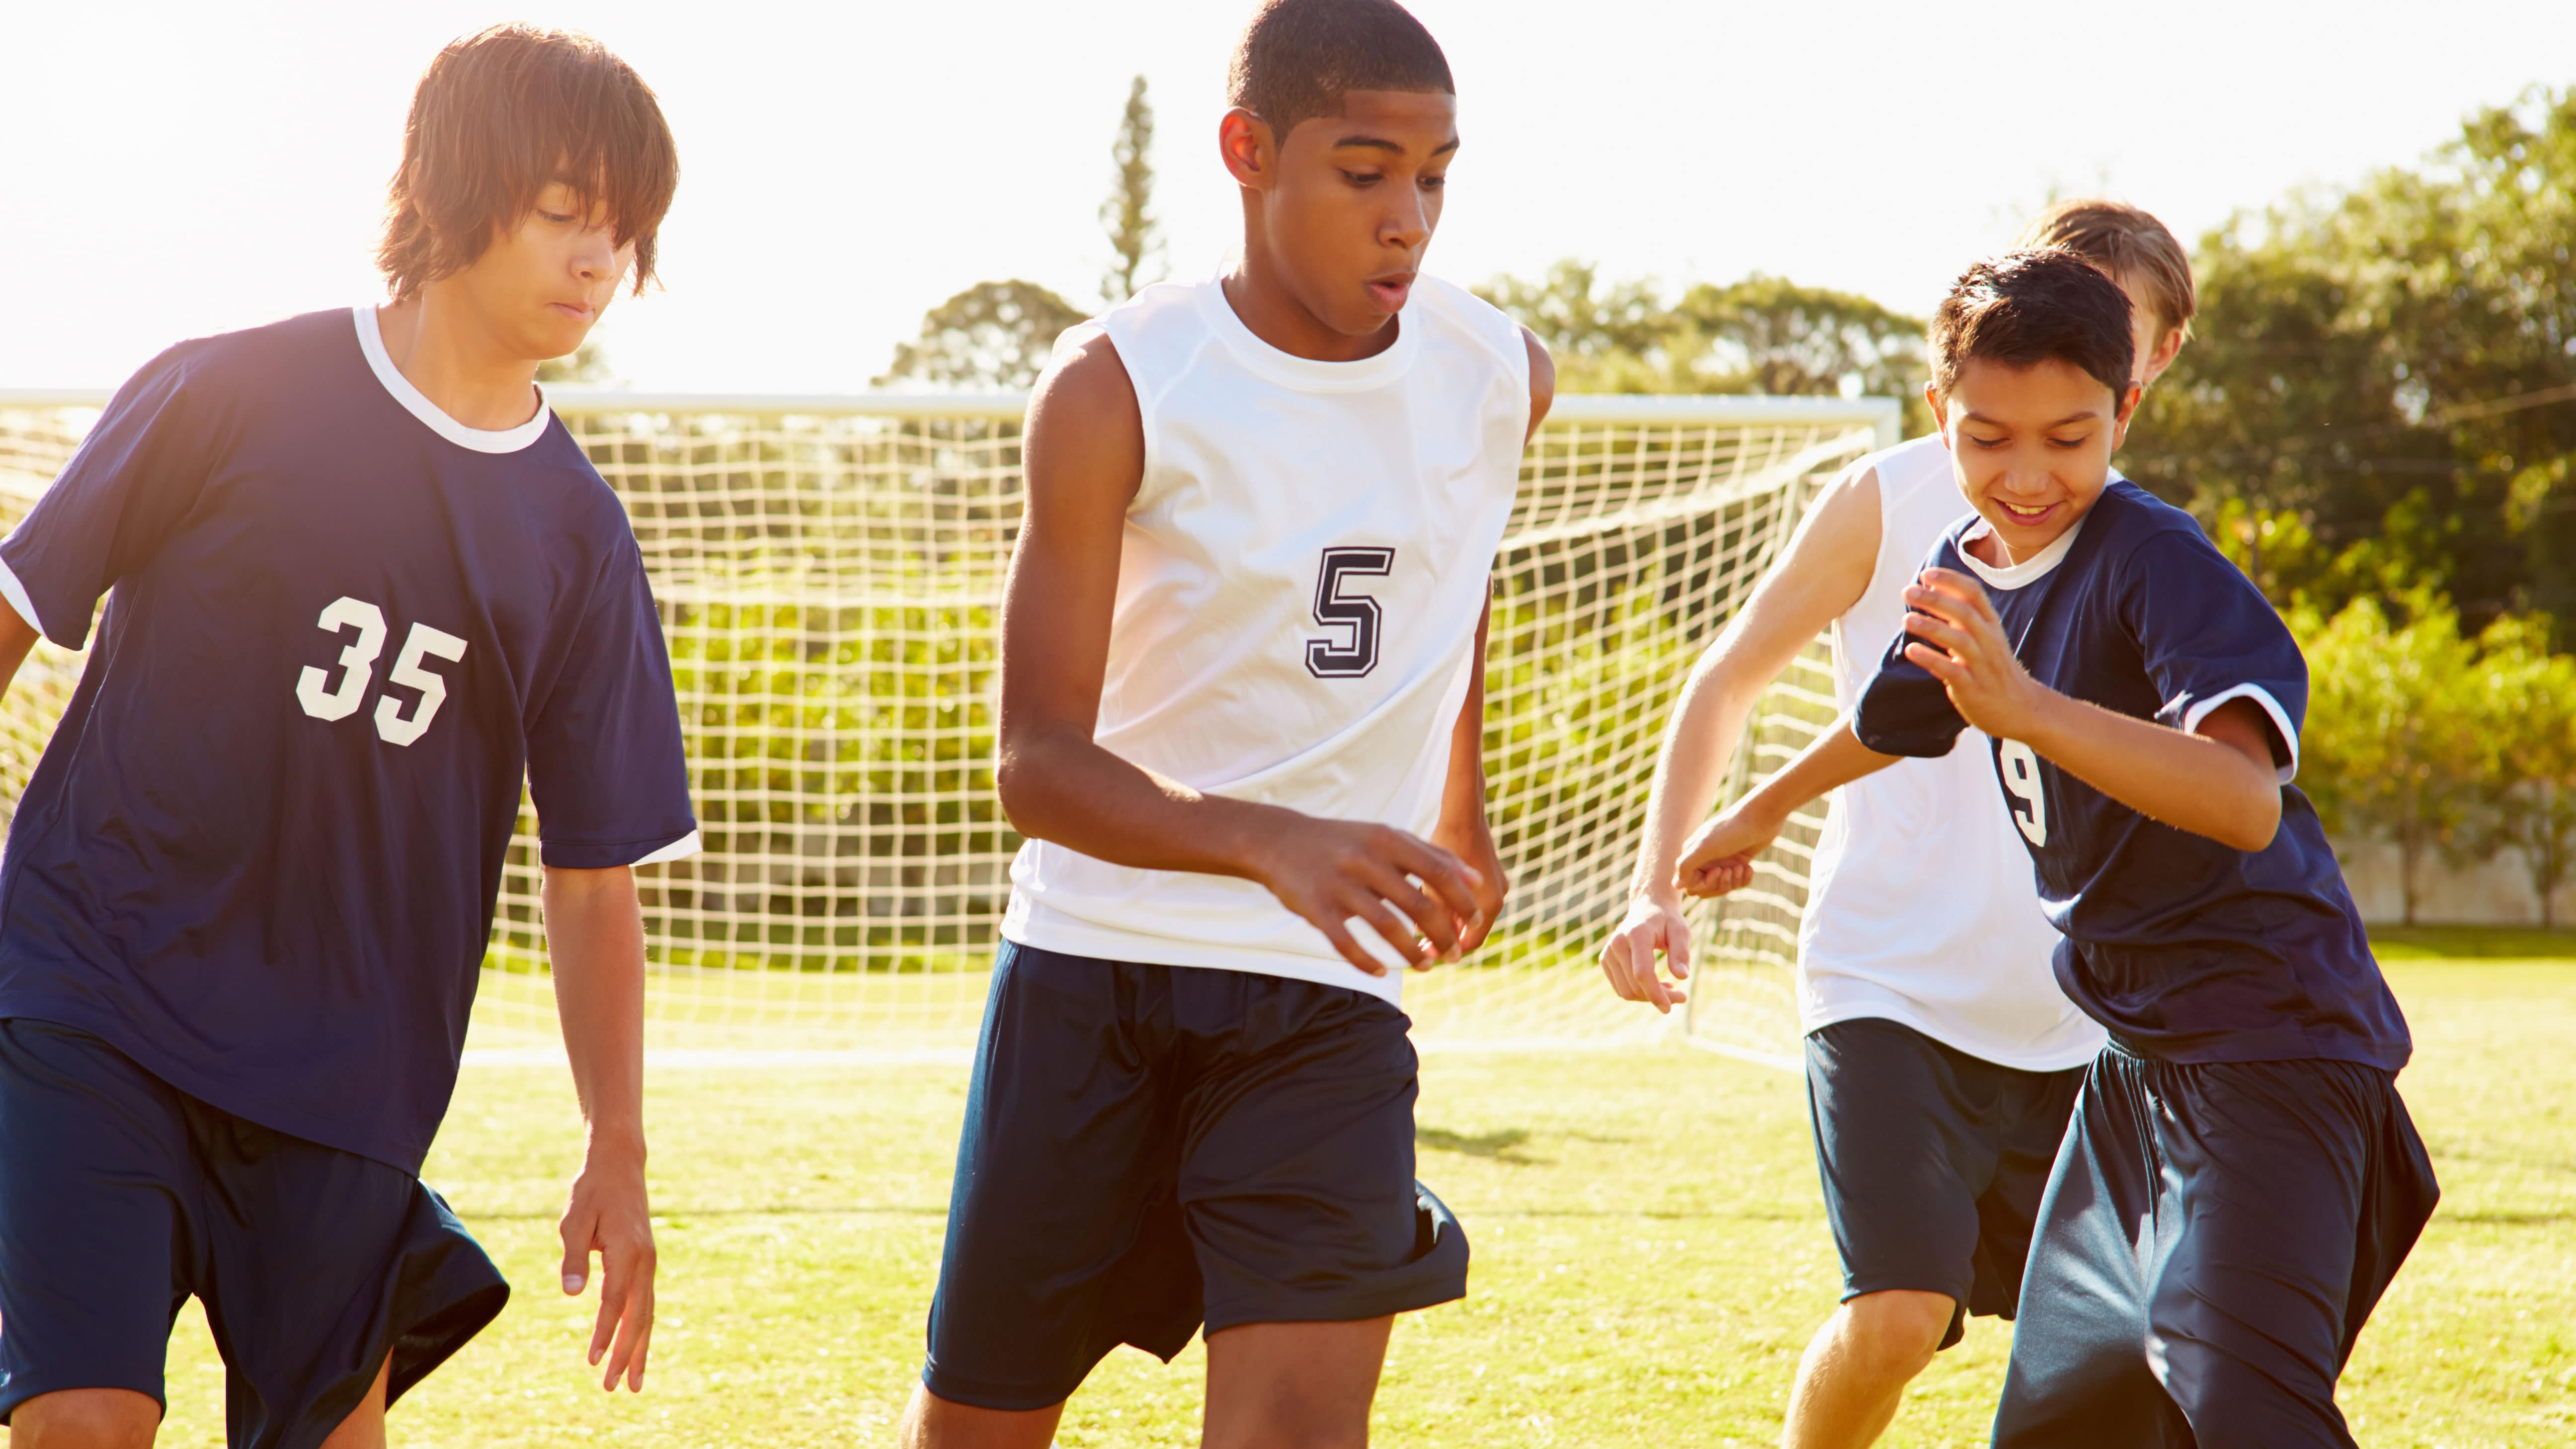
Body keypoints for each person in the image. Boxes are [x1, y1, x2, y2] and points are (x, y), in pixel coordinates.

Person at [0, 26, 693, 1449]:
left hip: (347, 1084)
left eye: (624, 229)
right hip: (97, 998)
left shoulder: (579, 538)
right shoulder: (226, 390)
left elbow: (591, 872)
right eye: (565, 209)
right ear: (453, 187)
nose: (596, 259)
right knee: (84, 1418)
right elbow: (15, 610)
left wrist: (615, 1146)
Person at [896, 2, 1553, 1445]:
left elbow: (1459, 582)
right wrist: (1276, 842)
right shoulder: (1117, 384)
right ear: (1247, 152)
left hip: (1326, 997)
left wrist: (1462, 817)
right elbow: (1037, 764)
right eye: (1365, 171)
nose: (1409, 219)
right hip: (1095, 976)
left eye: (1437, 175)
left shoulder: (1502, 373)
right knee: (980, 1430)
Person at [1678, 248, 2436, 1448]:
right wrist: (1761, 810)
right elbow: (1899, 718)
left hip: (2271, 1041)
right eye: (1989, 441)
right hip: (2132, 1063)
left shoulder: (2155, 559)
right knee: (2067, 1426)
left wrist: (2029, 709)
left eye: (2069, 440)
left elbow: (2243, 800)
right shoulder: (1964, 570)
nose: (2027, 476)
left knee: (2235, 1400)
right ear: (1941, 419)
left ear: (2125, 410)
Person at [1600, 200, 2196, 1449]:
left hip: (2078, 1017)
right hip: (1890, 984)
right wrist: (1658, 879)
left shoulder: (2148, 549)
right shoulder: (1894, 500)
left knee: (2135, 1353)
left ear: (2149, 367)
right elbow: (1731, 680)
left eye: (2105, 325)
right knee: (1898, 1315)